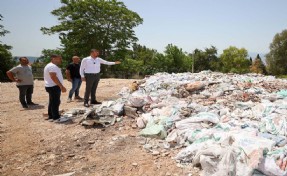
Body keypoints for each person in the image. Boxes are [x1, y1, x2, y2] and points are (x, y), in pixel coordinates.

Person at [44, 54, 67, 122]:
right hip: (53, 86)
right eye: (59, 58)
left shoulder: (50, 65)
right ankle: (56, 118)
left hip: (51, 86)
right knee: (55, 102)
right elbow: (53, 77)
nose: (61, 60)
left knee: (52, 101)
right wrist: (61, 86)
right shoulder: (52, 66)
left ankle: (51, 116)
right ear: (53, 59)